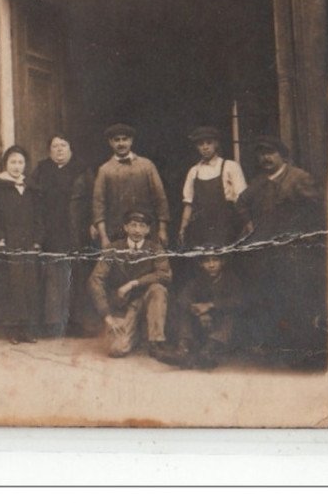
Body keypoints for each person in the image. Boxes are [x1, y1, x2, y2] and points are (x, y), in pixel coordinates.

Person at [235, 136, 327, 366]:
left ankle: (303, 352)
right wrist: (249, 223)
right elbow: (241, 201)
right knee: (271, 299)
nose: (265, 158)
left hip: (295, 253)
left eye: (271, 153)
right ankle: (278, 349)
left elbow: (318, 210)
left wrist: (304, 236)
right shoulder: (259, 182)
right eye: (261, 154)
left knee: (296, 300)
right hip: (268, 254)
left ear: (282, 155)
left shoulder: (299, 178)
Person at [28, 134, 96, 337]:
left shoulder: (82, 170)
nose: (59, 150)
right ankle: (52, 322)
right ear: (49, 150)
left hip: (76, 229)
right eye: (54, 146)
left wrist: (93, 223)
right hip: (50, 230)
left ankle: (77, 323)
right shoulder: (41, 170)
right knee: (53, 276)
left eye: (63, 146)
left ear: (71, 149)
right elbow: (32, 199)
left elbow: (94, 198)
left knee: (76, 275)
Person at [0, 145, 44, 344]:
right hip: (7, 242)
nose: (17, 166)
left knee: (28, 285)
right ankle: (12, 330)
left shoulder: (30, 188)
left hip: (27, 243)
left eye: (21, 162)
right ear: (5, 164)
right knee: (10, 285)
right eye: (13, 162)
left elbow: (39, 217)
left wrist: (38, 240)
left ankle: (26, 329)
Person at [88, 210, 172, 359]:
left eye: (142, 226)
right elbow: (95, 280)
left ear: (148, 230)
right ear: (125, 228)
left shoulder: (156, 248)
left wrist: (134, 283)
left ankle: (156, 342)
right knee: (117, 349)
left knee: (158, 289)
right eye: (133, 225)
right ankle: (136, 333)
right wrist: (106, 314)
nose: (137, 230)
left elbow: (165, 275)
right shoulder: (112, 249)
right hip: (123, 305)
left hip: (146, 300)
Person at [159, 253, 245, 370]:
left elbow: (238, 301)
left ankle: (208, 352)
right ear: (201, 264)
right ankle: (183, 350)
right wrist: (197, 310)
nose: (211, 265)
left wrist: (210, 306)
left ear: (222, 262)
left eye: (215, 260)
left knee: (229, 316)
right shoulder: (198, 279)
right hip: (200, 325)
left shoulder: (231, 279)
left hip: (221, 330)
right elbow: (183, 297)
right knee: (184, 312)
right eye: (207, 261)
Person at [92, 123, 170, 249]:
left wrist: (162, 229)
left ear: (131, 141)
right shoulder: (105, 170)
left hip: (146, 230)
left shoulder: (146, 165)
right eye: (117, 140)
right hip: (116, 232)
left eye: (125, 139)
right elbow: (98, 205)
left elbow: (160, 197)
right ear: (111, 143)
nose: (121, 143)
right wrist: (104, 237)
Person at [178, 126, 247, 249]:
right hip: (202, 228)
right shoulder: (194, 171)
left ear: (216, 144)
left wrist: (247, 224)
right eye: (200, 144)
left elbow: (242, 200)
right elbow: (188, 204)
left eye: (209, 143)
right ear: (196, 147)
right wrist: (183, 228)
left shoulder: (230, 166)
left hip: (227, 225)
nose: (205, 147)